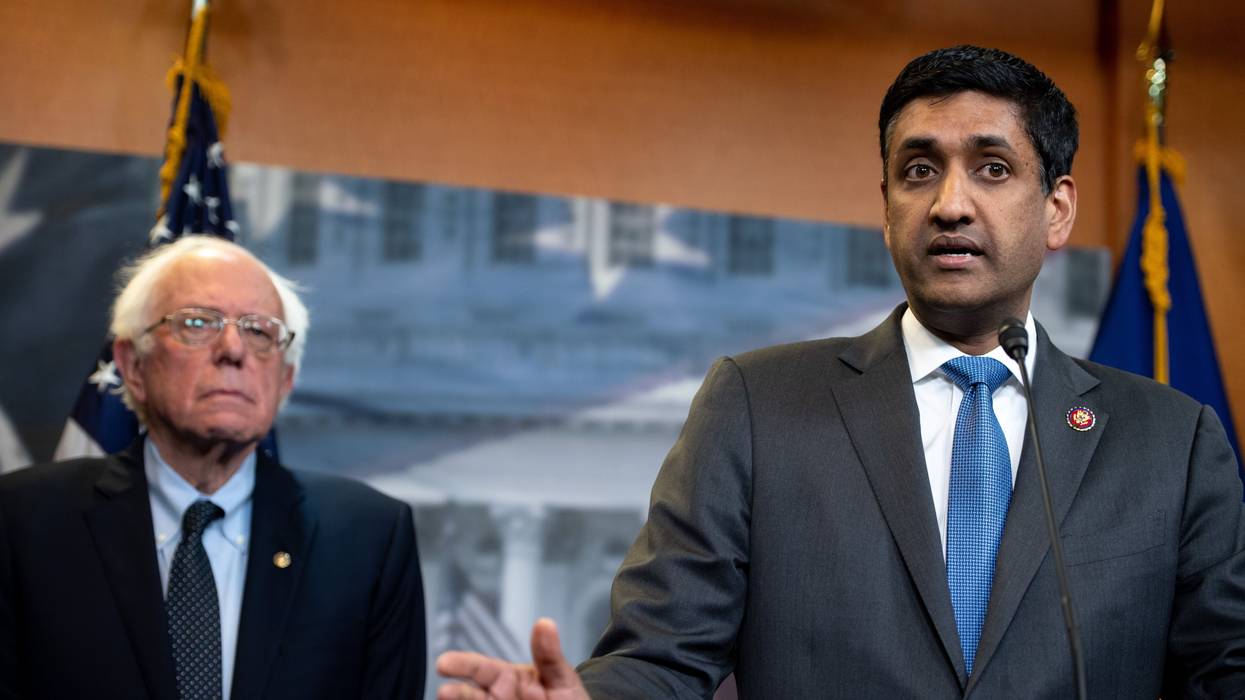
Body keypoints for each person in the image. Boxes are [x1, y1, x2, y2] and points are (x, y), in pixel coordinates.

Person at [436, 45, 1245, 698]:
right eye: (918, 170)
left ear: (1056, 208)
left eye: (991, 168)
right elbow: (660, 657)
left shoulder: (1170, 443)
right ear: (886, 208)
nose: (949, 204)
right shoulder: (756, 406)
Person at [0, 236, 426, 699]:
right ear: (133, 366)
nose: (233, 349)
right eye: (198, 323)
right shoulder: (23, 521)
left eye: (259, 332)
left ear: (284, 380)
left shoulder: (368, 540)